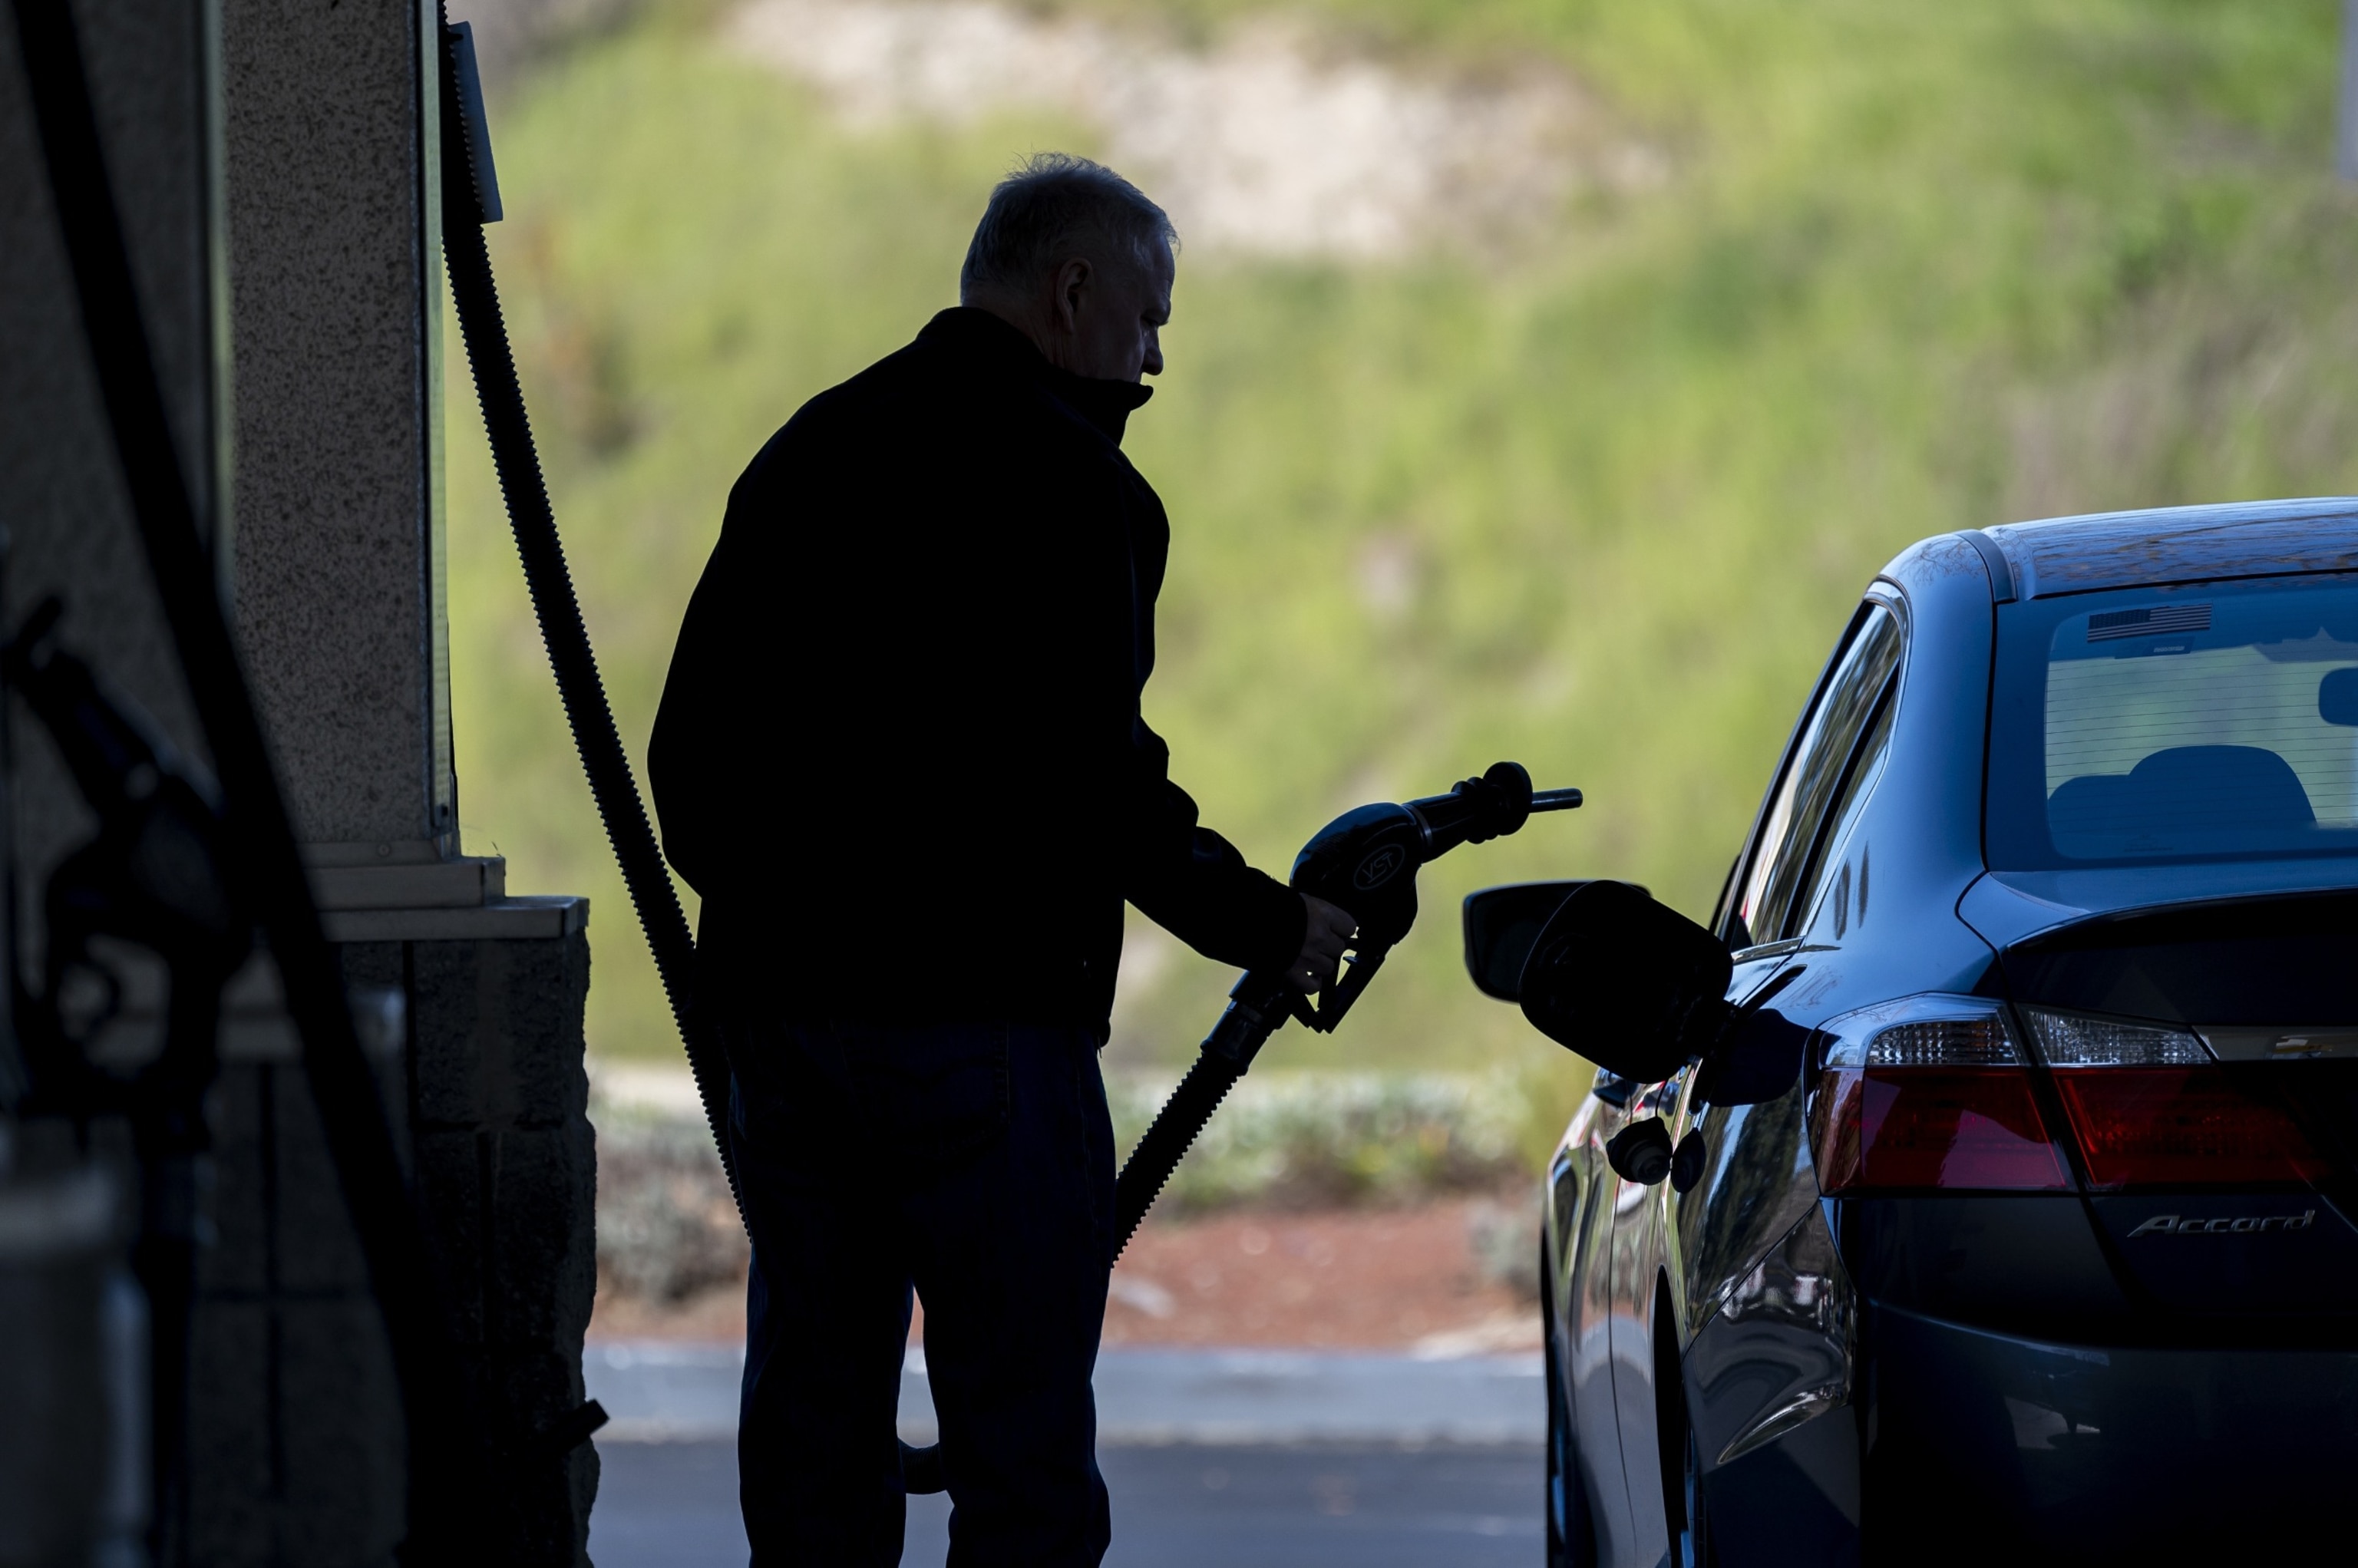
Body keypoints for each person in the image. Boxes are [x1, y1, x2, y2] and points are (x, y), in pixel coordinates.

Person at [648, 152, 1357, 1566]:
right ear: (1070, 290)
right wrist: (1270, 927)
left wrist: (783, 936)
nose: (1157, 358)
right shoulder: (1073, 485)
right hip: (984, 1040)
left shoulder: (811, 448)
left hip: (783, 1033)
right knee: (1019, 1450)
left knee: (814, 1432)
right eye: (1149, 318)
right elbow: (1098, 780)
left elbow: (685, 771)